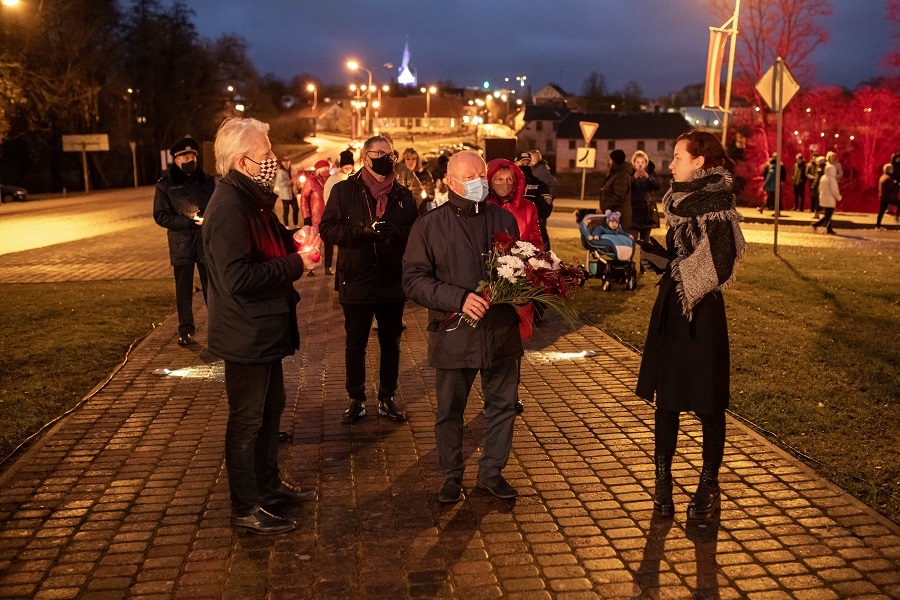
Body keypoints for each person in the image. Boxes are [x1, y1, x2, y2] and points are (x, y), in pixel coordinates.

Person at [202, 117, 321, 535]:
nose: (273, 160)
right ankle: (245, 506)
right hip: (245, 335)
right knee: (246, 422)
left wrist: (296, 237)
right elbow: (238, 277)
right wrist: (297, 263)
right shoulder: (229, 207)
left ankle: (269, 488)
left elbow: (264, 246)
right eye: (266, 154)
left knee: (270, 413)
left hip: (264, 331)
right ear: (241, 162)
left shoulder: (252, 199)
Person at [635, 129, 747, 522]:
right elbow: (682, 258)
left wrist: (670, 267)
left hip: (702, 317)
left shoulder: (719, 207)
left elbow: (718, 263)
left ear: (699, 162)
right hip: (672, 311)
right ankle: (662, 486)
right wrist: (657, 257)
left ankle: (707, 485)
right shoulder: (680, 203)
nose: (671, 164)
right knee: (667, 401)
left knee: (707, 403)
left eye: (678, 157)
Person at [403, 150, 522, 504]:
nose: (480, 183)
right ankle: (451, 476)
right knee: (450, 411)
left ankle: (491, 473)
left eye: (482, 176)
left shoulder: (504, 220)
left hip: (500, 333)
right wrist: (457, 299)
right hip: (454, 335)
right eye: (472, 177)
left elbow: (520, 263)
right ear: (451, 181)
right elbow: (413, 280)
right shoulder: (428, 226)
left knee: (503, 406)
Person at [319, 136, 419, 424]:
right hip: (357, 279)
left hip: (391, 280)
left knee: (391, 343)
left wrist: (395, 232)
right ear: (365, 158)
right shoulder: (343, 190)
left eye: (391, 154)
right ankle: (356, 398)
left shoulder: (403, 195)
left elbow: (415, 232)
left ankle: (387, 396)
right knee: (355, 343)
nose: (387, 159)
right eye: (381, 154)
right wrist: (362, 232)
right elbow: (327, 229)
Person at [486, 157, 542, 414]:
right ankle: (491, 395)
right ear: (489, 180)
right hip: (491, 282)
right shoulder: (483, 206)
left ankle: (512, 393)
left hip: (518, 282)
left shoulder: (528, 208)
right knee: (491, 340)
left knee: (514, 342)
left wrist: (530, 264)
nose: (505, 184)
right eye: (499, 179)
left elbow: (536, 240)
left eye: (510, 179)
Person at [153, 135, 215, 347]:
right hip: (181, 243)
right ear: (177, 160)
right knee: (183, 288)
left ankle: (218, 326)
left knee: (212, 285)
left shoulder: (208, 181)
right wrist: (188, 223)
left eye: (193, 155)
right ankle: (186, 330)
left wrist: (208, 215)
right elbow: (161, 215)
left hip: (206, 241)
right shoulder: (166, 186)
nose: (190, 160)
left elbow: (218, 205)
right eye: (185, 156)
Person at [321, 150, 356, 276]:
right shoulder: (333, 180)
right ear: (341, 166)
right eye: (346, 166)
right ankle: (329, 266)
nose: (348, 168)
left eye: (350, 166)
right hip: (337, 216)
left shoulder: (353, 178)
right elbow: (327, 198)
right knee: (333, 244)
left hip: (350, 218)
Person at [515, 152, 553, 250]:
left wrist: (527, 213)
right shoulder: (510, 184)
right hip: (513, 230)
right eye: (522, 164)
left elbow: (545, 210)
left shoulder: (540, 184)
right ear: (515, 164)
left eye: (527, 164)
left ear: (531, 165)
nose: (524, 167)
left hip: (536, 229)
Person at [300, 160, 330, 276]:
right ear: (319, 170)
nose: (326, 171)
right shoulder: (311, 181)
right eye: (324, 169)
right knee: (314, 244)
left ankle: (327, 267)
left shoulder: (330, 180)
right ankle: (311, 266)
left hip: (328, 217)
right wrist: (306, 217)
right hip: (315, 218)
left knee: (329, 243)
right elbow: (304, 199)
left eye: (328, 169)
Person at [629, 150, 662, 242]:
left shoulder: (651, 173)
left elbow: (658, 186)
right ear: (633, 163)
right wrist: (634, 178)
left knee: (645, 241)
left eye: (642, 162)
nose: (640, 164)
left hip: (647, 213)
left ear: (646, 163)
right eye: (638, 162)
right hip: (633, 212)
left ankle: (644, 257)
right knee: (631, 239)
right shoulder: (629, 173)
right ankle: (629, 256)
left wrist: (648, 177)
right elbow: (624, 187)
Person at [600, 149, 634, 232]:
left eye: (610, 159)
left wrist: (604, 206)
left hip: (619, 215)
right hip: (613, 213)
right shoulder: (616, 174)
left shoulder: (621, 175)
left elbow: (619, 196)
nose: (609, 161)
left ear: (614, 161)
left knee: (619, 241)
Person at [401, 147, 436, 212]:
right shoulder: (398, 175)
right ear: (404, 160)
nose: (411, 162)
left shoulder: (424, 175)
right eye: (408, 159)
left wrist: (425, 196)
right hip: (403, 211)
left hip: (420, 211)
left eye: (414, 159)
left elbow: (432, 196)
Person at [812, 162, 841, 234]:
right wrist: (839, 197)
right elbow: (834, 191)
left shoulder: (823, 178)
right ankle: (816, 224)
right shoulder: (832, 179)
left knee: (828, 215)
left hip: (823, 199)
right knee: (828, 215)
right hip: (830, 200)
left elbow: (819, 188)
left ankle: (829, 229)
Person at [274, 156, 298, 226]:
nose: (286, 163)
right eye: (284, 161)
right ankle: (286, 225)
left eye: (287, 161)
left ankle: (295, 224)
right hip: (285, 195)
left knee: (296, 209)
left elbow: (296, 177)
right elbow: (279, 183)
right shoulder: (280, 172)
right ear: (282, 163)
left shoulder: (292, 170)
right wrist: (290, 182)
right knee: (286, 210)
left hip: (293, 193)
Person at [877, 163, 900, 229]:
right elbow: (891, 188)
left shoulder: (883, 177)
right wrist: (897, 186)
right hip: (889, 197)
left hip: (883, 197)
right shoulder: (888, 178)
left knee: (881, 211)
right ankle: (897, 217)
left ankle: (878, 225)